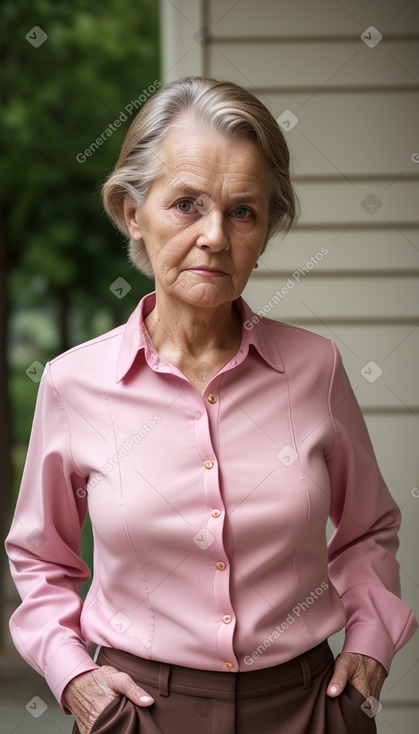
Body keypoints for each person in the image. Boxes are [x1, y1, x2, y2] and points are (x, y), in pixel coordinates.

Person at [5, 76, 417, 734]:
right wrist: (73, 675)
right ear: (131, 213)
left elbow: (367, 531)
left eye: (242, 211)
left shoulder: (316, 369)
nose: (216, 237)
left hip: (308, 708)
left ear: (264, 229)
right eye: (186, 205)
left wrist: (367, 655)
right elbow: (41, 558)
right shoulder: (72, 383)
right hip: (140, 713)